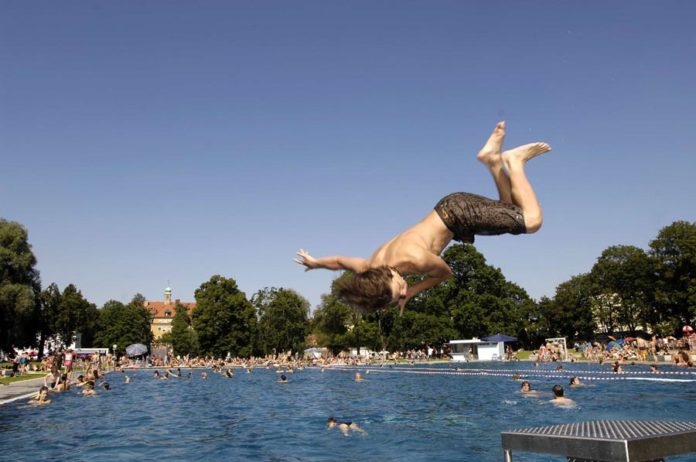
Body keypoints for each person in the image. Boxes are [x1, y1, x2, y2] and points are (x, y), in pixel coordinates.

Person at [295, 122, 552, 313]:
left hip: (460, 215)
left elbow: (445, 273)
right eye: (400, 295)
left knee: (531, 221)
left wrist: (413, 293)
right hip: (451, 211)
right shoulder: (369, 267)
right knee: (507, 208)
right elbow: (339, 261)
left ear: (387, 279)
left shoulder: (415, 261)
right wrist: (316, 262)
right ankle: (492, 160)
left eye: (400, 290)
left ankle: (514, 161)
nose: (404, 290)